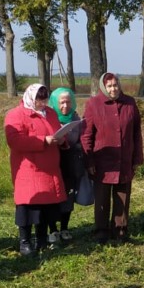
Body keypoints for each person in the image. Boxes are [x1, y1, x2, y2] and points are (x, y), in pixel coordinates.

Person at [4, 84, 66, 255]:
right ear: (31, 98)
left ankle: (41, 239)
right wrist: (43, 140)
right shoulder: (16, 115)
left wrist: (62, 139)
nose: (43, 103)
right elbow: (15, 141)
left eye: (45, 100)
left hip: (50, 168)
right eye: (40, 100)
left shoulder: (50, 113)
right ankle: (24, 241)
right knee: (27, 206)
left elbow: (57, 131)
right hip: (29, 168)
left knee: (46, 207)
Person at [81, 73, 143, 244]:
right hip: (102, 160)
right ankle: (101, 231)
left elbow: (136, 132)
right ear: (103, 87)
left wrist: (137, 158)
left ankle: (120, 229)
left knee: (123, 195)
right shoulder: (93, 104)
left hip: (124, 158)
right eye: (109, 86)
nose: (113, 89)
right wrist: (89, 160)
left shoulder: (129, 102)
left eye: (115, 85)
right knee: (102, 197)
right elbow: (86, 135)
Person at [47, 87, 84, 244]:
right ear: (55, 103)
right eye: (62, 102)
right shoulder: (48, 118)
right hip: (53, 164)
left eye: (68, 102)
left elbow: (82, 140)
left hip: (71, 164)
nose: (65, 106)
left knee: (68, 195)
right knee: (52, 198)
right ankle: (52, 230)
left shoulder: (76, 119)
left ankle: (64, 228)